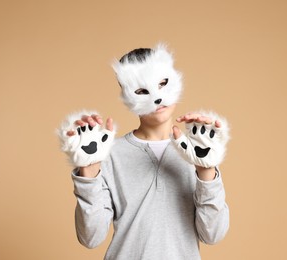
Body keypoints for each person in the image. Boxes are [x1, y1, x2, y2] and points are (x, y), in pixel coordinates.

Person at [57, 44, 230, 260]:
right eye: (142, 91)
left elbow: (213, 235)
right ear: (127, 94)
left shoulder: (200, 148)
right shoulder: (107, 154)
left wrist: (206, 169)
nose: (157, 98)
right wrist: (89, 171)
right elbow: (90, 238)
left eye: (163, 83)